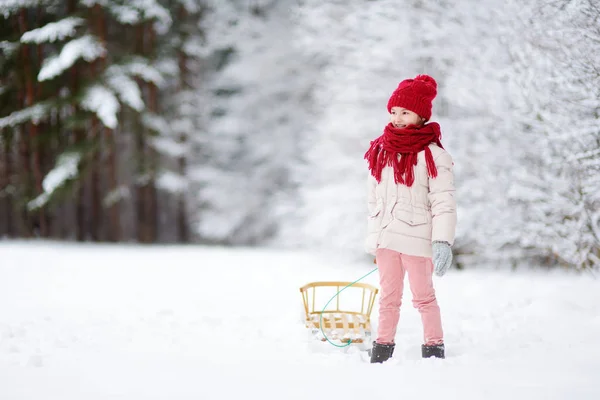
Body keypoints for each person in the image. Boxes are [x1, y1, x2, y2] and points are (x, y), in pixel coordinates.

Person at [364, 74, 456, 363]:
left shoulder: (433, 154)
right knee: (388, 299)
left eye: (405, 112)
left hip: (417, 239)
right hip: (387, 238)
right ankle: (382, 348)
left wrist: (442, 240)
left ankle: (433, 348)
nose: (398, 118)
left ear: (421, 115)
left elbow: (443, 201)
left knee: (423, 298)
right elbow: (374, 199)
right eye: (394, 111)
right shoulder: (381, 149)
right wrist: (374, 237)